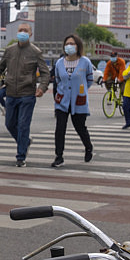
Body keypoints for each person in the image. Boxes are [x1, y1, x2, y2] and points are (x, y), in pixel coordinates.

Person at [0, 23, 49, 167]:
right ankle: (25, 141)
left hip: (27, 94)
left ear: (30, 34)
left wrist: (42, 88)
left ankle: (20, 156)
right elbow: (0, 68)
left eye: (25, 30)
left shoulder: (36, 52)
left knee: (23, 125)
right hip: (10, 93)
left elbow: (46, 73)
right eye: (20, 30)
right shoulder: (9, 50)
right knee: (10, 124)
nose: (22, 32)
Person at [51, 34, 94, 166]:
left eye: (72, 43)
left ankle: (88, 147)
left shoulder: (85, 62)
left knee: (80, 127)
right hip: (62, 101)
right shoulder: (59, 63)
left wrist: (81, 90)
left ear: (78, 46)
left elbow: (89, 79)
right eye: (67, 44)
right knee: (60, 129)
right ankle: (59, 156)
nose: (69, 46)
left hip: (78, 100)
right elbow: (58, 80)